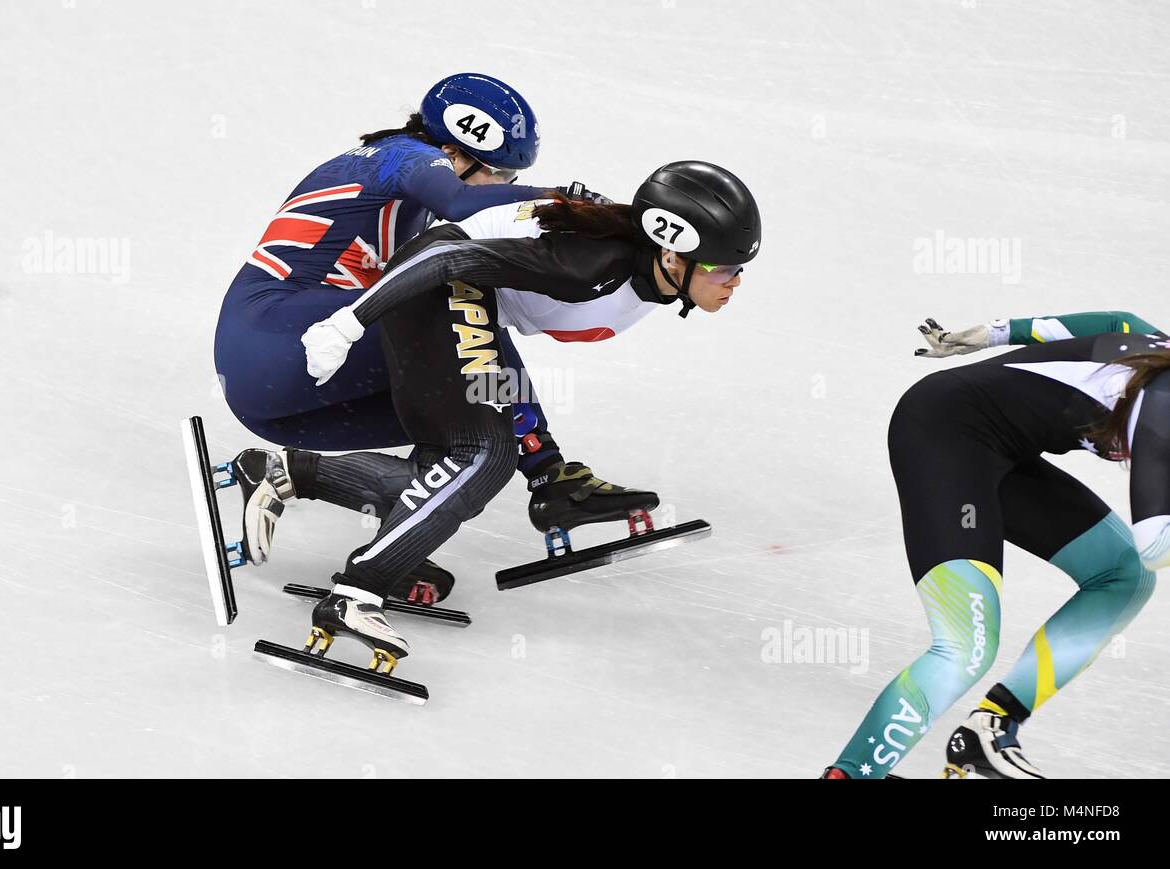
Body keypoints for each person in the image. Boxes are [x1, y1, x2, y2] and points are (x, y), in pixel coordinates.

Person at [282, 160, 761, 673]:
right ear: (672, 251)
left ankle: (289, 474)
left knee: (441, 476)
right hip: (437, 279)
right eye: (725, 268)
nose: (735, 282)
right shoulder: (594, 265)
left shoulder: (651, 274)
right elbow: (447, 256)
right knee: (483, 454)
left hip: (477, 303)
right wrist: (348, 323)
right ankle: (355, 595)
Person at [212, 72, 649, 603]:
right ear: (454, 150)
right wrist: (566, 198)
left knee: (466, 442)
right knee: (459, 300)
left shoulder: (408, 188)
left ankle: (292, 480)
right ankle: (552, 476)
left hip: (277, 388)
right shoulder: (401, 156)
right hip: (277, 334)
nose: (504, 184)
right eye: (503, 173)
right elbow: (466, 204)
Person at [824, 310, 1167, 778]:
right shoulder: (1163, 404)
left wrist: (993, 334)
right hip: (943, 432)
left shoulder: (1153, 349)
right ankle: (853, 774)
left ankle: (989, 728)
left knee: (1123, 575)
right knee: (965, 648)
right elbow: (1157, 543)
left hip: (1001, 448)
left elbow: (1115, 320)